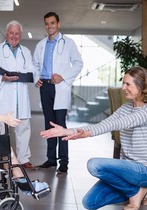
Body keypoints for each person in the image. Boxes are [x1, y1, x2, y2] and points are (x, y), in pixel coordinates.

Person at [40, 66, 147, 210]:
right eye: (123, 83)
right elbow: (104, 124)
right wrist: (66, 131)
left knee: (94, 165)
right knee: (89, 203)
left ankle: (135, 193)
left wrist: (88, 134)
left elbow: (122, 123)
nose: (123, 88)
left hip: (145, 171)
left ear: (141, 85)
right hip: (126, 168)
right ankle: (140, 192)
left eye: (128, 84)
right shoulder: (126, 108)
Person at [33, 12, 83, 174]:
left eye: (52, 23)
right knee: (48, 123)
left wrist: (64, 77)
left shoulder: (68, 43)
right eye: (47, 23)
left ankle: (64, 162)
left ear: (58, 24)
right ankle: (51, 159)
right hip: (45, 87)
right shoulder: (41, 44)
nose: (49, 26)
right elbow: (34, 65)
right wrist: (36, 78)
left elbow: (78, 63)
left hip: (60, 87)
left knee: (60, 125)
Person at [0, 20, 37, 170]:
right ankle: (2, 157)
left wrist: (33, 76)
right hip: (3, 96)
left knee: (24, 128)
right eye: (11, 33)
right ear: (7, 33)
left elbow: (32, 69)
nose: (14, 36)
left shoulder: (25, 51)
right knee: (2, 129)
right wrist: (2, 78)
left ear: (20, 35)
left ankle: (23, 159)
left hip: (21, 97)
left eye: (17, 33)